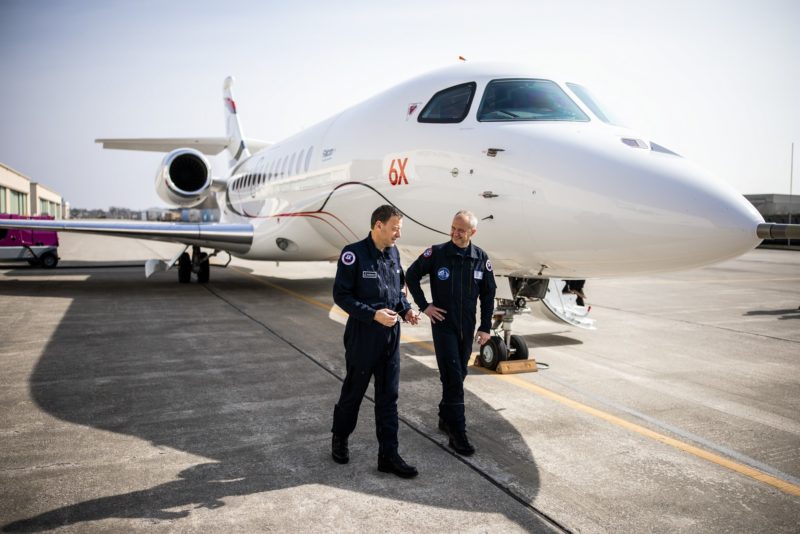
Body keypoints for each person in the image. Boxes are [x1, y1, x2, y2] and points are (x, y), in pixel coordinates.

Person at [330, 204, 420, 478]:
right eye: (394, 228)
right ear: (378, 225)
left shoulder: (394, 254)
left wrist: (406, 309)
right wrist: (373, 315)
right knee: (354, 392)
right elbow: (341, 296)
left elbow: (397, 291)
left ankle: (388, 456)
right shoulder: (353, 254)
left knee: (388, 398)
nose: (398, 235)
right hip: (363, 335)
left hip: (390, 337)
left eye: (399, 229)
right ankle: (340, 439)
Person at [405, 210, 496, 456]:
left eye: (461, 230)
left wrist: (485, 326)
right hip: (443, 325)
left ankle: (445, 418)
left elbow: (489, 294)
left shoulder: (480, 258)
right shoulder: (436, 253)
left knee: (458, 374)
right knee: (454, 378)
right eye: (453, 228)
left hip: (467, 327)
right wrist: (424, 306)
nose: (455, 233)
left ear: (472, 233)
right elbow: (411, 275)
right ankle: (458, 433)